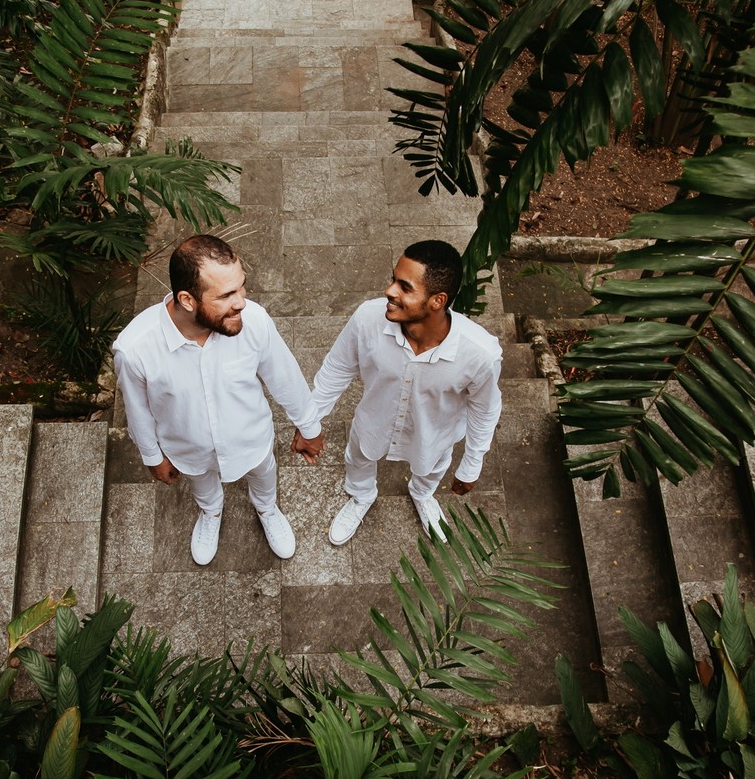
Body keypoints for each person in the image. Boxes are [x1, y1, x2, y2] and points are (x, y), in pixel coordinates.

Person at [113, 235, 325, 565]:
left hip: (252, 437)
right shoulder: (135, 350)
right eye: (226, 295)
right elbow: (137, 411)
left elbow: (285, 377)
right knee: (202, 482)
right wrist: (153, 457)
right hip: (187, 447)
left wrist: (309, 426)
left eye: (241, 287)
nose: (241, 302)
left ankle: (267, 508)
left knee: (264, 472)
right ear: (187, 300)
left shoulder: (253, 321)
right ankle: (211, 513)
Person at [306, 240, 502, 545]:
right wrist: (309, 424)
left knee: (433, 464)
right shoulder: (366, 318)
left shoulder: (480, 354)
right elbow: (336, 370)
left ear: (437, 300)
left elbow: (484, 409)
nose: (389, 291)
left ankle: (423, 495)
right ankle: (361, 496)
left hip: (434, 433)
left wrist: (472, 463)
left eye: (404, 287)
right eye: (392, 279)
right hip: (374, 421)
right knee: (359, 456)